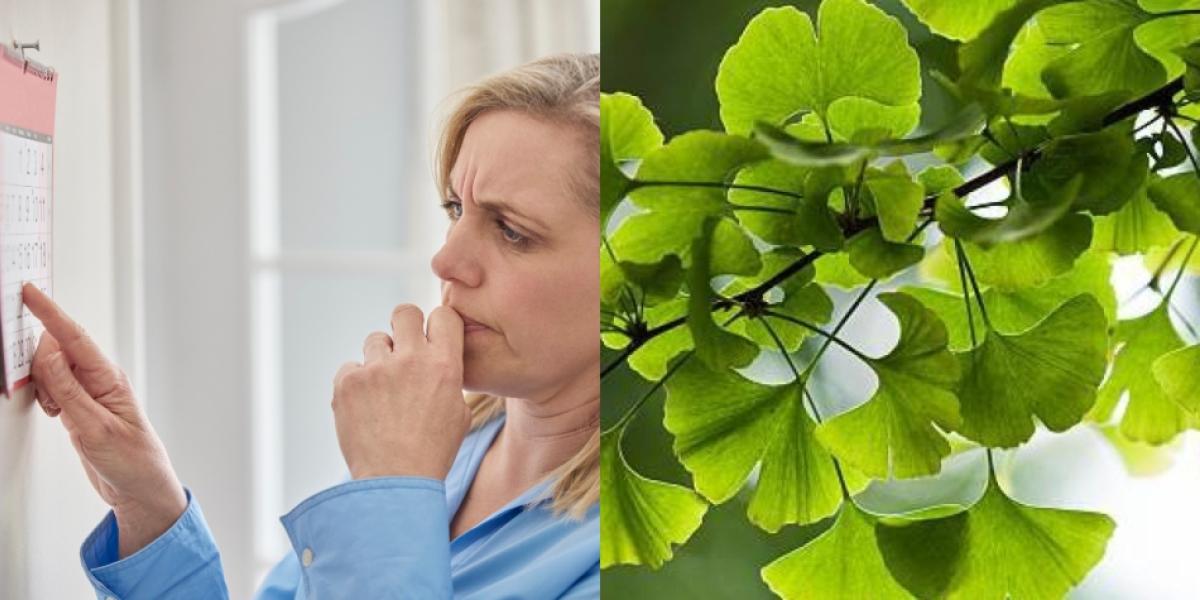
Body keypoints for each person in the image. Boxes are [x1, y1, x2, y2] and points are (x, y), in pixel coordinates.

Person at [24, 52, 600, 599]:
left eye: (512, 231)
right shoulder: (444, 443)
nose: (446, 261)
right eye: (455, 209)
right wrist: (149, 508)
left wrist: (391, 486)